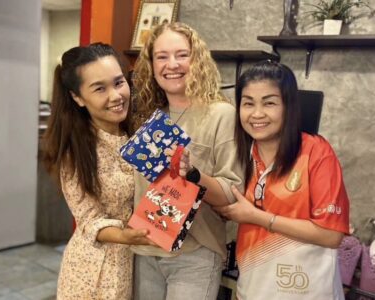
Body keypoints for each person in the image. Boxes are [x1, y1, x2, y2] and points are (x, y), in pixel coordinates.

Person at [215, 61, 350, 299]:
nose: (257, 114)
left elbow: (331, 235)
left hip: (308, 291)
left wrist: (258, 217)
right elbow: (223, 200)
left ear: (288, 107)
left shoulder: (316, 152)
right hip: (252, 288)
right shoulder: (241, 154)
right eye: (248, 103)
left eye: (269, 103)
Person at [131, 22, 245, 300]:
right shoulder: (149, 116)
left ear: (198, 60)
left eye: (182, 54)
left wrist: (193, 174)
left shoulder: (221, 114)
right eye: (162, 56)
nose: (172, 64)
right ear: (151, 64)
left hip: (195, 255)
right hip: (144, 250)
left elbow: (233, 194)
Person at [42, 43, 154, 300]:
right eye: (100, 88)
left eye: (118, 82)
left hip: (137, 266)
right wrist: (126, 235)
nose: (115, 95)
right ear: (77, 97)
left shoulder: (141, 134)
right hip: (92, 272)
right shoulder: (75, 149)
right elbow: (89, 218)